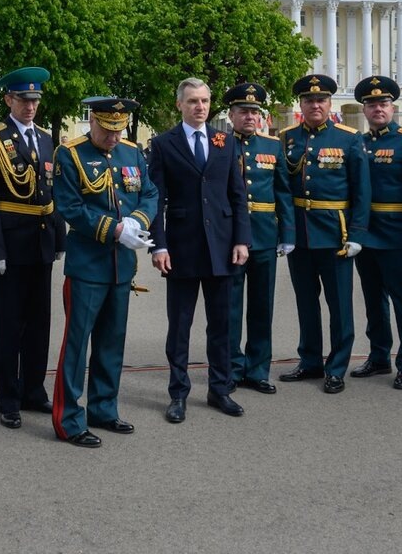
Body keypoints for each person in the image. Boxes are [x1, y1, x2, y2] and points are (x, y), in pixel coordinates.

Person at [50, 98, 157, 448]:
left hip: (121, 266)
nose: (114, 137)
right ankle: (68, 420)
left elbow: (150, 194)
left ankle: (104, 408)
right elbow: (70, 207)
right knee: (77, 346)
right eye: (108, 129)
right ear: (93, 122)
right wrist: (113, 229)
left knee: (112, 342)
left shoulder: (132, 152)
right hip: (87, 267)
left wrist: (137, 222)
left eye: (119, 129)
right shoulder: (70, 154)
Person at [149, 78, 251, 422]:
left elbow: (238, 196)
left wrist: (241, 240)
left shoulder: (225, 141)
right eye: (193, 101)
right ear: (179, 104)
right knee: (179, 325)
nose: (200, 107)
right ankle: (178, 393)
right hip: (181, 247)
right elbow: (155, 200)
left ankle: (219, 389)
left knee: (222, 324)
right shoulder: (164, 144)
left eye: (205, 101)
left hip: (222, 247)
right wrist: (158, 246)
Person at [0, 67, 65, 429]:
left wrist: (59, 238)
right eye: (24, 100)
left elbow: (51, 192)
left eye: (35, 100)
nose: (31, 106)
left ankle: (33, 390)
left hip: (41, 241)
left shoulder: (45, 139)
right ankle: (8, 397)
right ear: (9, 100)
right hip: (11, 244)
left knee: (39, 322)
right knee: (10, 324)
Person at [278, 74, 370, 395]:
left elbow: (362, 191)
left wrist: (357, 233)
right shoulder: (287, 138)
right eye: (308, 100)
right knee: (306, 302)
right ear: (300, 105)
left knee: (339, 305)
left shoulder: (349, 138)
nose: (315, 105)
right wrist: (283, 231)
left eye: (321, 100)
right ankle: (310, 360)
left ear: (330, 104)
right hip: (300, 234)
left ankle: (337, 367)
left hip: (336, 235)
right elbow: (283, 189)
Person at [350, 75, 402, 390]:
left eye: (383, 103)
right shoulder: (360, 142)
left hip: (398, 235)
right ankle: (379, 356)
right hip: (366, 234)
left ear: (392, 107)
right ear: (365, 109)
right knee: (373, 300)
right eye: (371, 104)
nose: (377, 109)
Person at [223, 82, 294, 395]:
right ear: (231, 115)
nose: (249, 116)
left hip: (265, 235)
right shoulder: (219, 144)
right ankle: (231, 367)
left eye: (254, 111)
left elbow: (283, 192)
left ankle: (258, 369)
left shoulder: (272, 146)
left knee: (262, 306)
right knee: (230, 307)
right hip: (230, 237)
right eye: (243, 111)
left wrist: (287, 233)